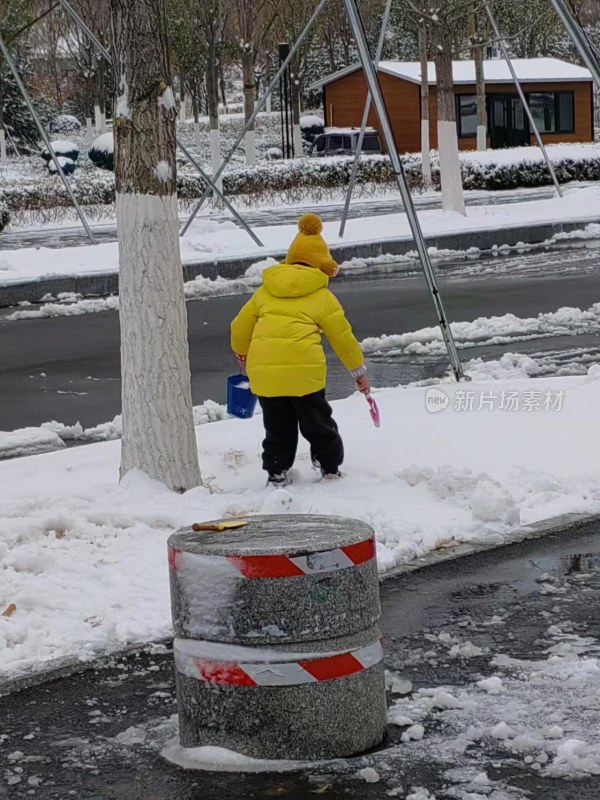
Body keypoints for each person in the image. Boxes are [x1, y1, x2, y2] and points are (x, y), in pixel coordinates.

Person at [230, 212, 370, 487]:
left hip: (266, 376)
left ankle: (277, 471)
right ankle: (329, 465)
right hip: (306, 375)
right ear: (323, 265)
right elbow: (343, 338)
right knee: (317, 422)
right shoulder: (322, 296)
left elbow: (239, 326)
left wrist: (242, 353)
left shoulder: (265, 292)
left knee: (277, 427)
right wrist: (358, 372)